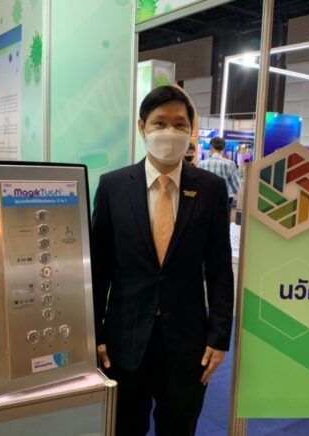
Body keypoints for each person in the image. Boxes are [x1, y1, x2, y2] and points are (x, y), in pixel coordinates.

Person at [91, 86, 234, 436]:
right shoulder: (113, 187)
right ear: (143, 127)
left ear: (191, 131)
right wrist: (93, 333)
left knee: (179, 428)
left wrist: (219, 338)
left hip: (188, 342)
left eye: (179, 124)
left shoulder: (211, 189)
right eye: (160, 122)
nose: (170, 131)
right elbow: (99, 267)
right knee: (124, 427)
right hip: (125, 339)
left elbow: (219, 268)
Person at [198, 136, 241, 218]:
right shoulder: (229, 164)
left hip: (205, 199)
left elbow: (198, 184)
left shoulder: (202, 164)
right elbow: (237, 185)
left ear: (211, 147)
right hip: (224, 200)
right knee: (222, 222)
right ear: (223, 148)